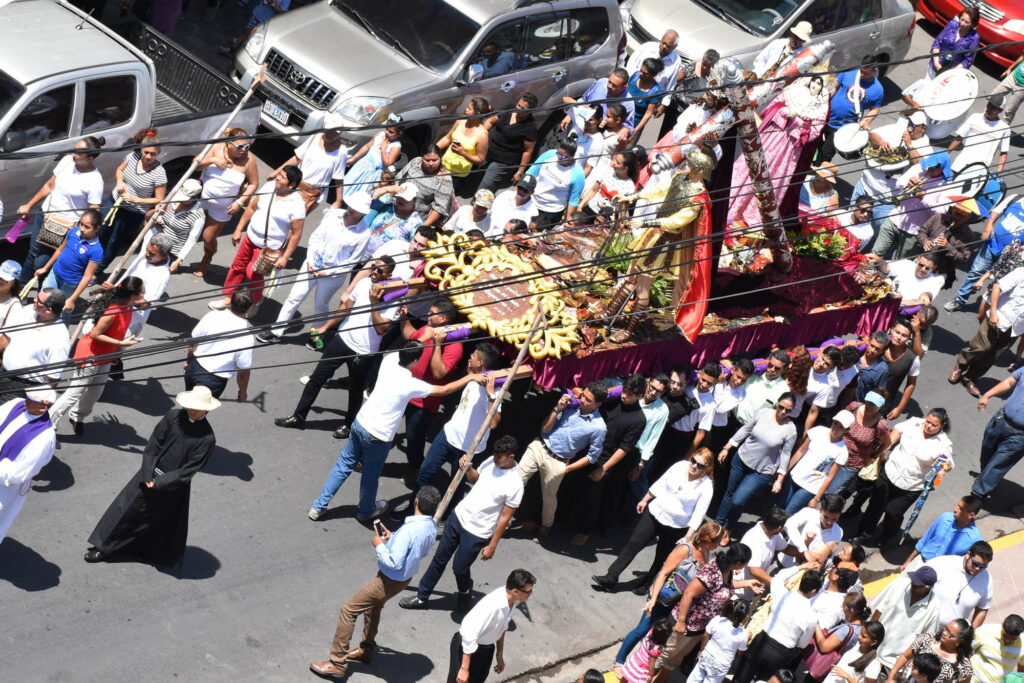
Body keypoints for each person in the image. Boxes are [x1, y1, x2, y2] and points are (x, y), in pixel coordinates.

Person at [308, 341, 483, 523]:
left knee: (343, 465)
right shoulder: (411, 384)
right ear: (415, 361)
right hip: (379, 435)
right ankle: (365, 511)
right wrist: (469, 378)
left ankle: (318, 506)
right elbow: (444, 390)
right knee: (370, 475)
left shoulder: (389, 360)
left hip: (361, 422)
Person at [308, 486, 441, 681]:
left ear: (416, 502)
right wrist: (393, 538)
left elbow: (394, 562)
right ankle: (367, 649)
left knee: (348, 610)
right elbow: (418, 550)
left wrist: (380, 545)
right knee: (373, 607)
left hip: (388, 580)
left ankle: (337, 663)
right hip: (404, 579)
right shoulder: (431, 526)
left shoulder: (410, 529)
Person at [84, 386, 219, 567]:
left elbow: (188, 470)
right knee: (124, 512)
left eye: (197, 407)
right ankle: (104, 548)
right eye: (191, 406)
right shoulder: (173, 417)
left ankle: (143, 552)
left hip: (171, 487)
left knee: (154, 522)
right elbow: (154, 443)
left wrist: (159, 482)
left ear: (207, 409)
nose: (192, 410)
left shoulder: (207, 438)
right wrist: (148, 473)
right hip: (148, 474)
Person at [273, 256, 397, 435]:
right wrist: (325, 327)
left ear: (389, 275)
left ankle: (348, 424)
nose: (374, 273)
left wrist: (374, 302)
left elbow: (381, 329)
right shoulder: (363, 284)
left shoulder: (393, 298)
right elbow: (345, 308)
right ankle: (298, 417)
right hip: (342, 340)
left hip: (363, 352)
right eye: (373, 268)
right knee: (317, 378)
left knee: (355, 390)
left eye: (380, 271)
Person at [401, 437, 523, 612]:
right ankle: (422, 597)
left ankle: (465, 591)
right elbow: (474, 480)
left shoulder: (515, 484)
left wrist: (492, 545)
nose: (495, 459)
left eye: (500, 457)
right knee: (439, 559)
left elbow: (505, 517)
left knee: (459, 568)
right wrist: (468, 468)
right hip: (458, 517)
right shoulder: (491, 461)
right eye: (495, 455)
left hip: (478, 532)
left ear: (511, 456)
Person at [257, 192, 373, 344]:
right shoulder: (333, 215)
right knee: (294, 297)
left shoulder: (364, 234)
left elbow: (352, 262)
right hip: (312, 264)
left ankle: (316, 334)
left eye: (357, 208)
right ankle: (276, 331)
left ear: (363, 212)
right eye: (352, 205)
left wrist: (327, 272)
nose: (352, 209)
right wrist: (311, 260)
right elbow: (316, 237)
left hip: (333, 275)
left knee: (321, 304)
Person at [592, 448, 714, 590]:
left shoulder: (706, 487)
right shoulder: (680, 466)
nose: (694, 466)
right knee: (634, 543)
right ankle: (611, 577)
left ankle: (647, 583)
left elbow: (699, 514)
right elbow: (661, 483)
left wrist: (688, 537)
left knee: (661, 557)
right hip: (655, 512)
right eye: (694, 461)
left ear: (706, 469)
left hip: (676, 526)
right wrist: (645, 500)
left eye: (700, 465)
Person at [615, 521, 724, 668]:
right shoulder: (685, 549)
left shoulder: (706, 552)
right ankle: (619, 661)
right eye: (716, 542)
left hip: (676, 603)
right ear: (707, 539)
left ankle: (639, 665)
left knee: (657, 637)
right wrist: (653, 599)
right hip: (661, 598)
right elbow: (663, 573)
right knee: (641, 630)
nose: (718, 545)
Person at [47, 277, 145, 434]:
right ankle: (49, 423)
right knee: (75, 392)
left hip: (106, 355)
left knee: (95, 391)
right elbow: (95, 334)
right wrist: (121, 344)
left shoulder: (129, 305)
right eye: (142, 292)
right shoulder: (113, 312)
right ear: (132, 295)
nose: (144, 294)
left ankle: (77, 416)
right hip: (90, 355)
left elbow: (146, 304)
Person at [516, 382, 607, 540]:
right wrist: (557, 408)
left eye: (588, 400)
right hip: (540, 445)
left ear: (598, 404)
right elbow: (545, 429)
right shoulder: (569, 405)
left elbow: (592, 456)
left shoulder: (598, 427)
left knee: (549, 498)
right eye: (583, 395)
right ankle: (499, 515)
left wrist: (567, 469)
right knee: (515, 482)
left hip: (559, 460)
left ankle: (546, 526)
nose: (583, 400)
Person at [853, 409, 953, 547]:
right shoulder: (914, 423)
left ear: (942, 425)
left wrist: (942, 471)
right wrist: (883, 449)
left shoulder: (943, 443)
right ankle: (863, 535)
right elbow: (897, 431)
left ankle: (887, 535)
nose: (928, 426)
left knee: (894, 512)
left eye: (934, 425)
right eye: (928, 421)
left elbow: (947, 463)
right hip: (889, 473)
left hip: (911, 485)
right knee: (875, 505)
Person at [213, 164, 306, 308]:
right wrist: (238, 229)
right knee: (237, 267)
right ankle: (228, 298)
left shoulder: (297, 204)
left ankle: (254, 302)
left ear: (292, 184)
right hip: (250, 237)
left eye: (282, 177)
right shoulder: (269, 187)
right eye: (279, 174)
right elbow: (251, 208)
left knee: (253, 275)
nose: (278, 178)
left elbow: (296, 235)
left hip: (268, 248)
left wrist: (285, 257)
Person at [414, 343, 502, 494]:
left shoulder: (495, 391)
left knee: (455, 488)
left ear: (480, 363)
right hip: (447, 436)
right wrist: (470, 373)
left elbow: (493, 423)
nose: (470, 357)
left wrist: (491, 395)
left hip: (467, 449)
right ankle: (412, 511)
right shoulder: (471, 378)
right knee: (424, 473)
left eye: (473, 356)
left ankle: (445, 515)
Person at [656, 544, 753, 678]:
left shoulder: (728, 570)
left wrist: (747, 583)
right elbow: (688, 593)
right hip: (686, 624)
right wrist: (681, 621)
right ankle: (642, 676)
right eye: (744, 564)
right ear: (738, 563)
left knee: (677, 657)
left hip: (700, 626)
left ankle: (659, 680)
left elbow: (723, 587)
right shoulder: (712, 571)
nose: (744, 567)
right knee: (665, 653)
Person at [18, 136, 106, 282]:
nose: (73, 154)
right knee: (33, 253)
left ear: (90, 157)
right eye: (74, 150)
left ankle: (44, 296)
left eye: (78, 152)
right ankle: (20, 287)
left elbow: (93, 211)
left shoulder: (95, 181)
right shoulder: (67, 161)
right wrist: (29, 205)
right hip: (45, 216)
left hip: (65, 226)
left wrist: (79, 227)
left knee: (44, 262)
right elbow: (49, 186)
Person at [573, 374, 646, 546]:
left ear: (640, 396)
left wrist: (603, 469)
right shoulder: (612, 400)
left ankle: (584, 531)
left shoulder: (638, 419)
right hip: (586, 449)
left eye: (630, 394)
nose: (624, 396)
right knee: (570, 487)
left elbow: (624, 448)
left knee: (593, 498)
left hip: (603, 460)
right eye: (625, 391)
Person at [715, 393, 798, 543]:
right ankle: (718, 525)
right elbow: (745, 430)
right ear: (777, 404)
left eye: (788, 410)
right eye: (781, 407)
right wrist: (727, 447)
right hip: (741, 459)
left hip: (762, 471)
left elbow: (786, 454)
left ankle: (729, 527)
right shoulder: (763, 413)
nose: (783, 412)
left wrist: (779, 479)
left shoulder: (790, 429)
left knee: (738, 500)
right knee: (729, 493)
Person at [397, 298, 466, 476]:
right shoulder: (428, 329)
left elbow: (438, 373)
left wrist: (437, 344)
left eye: (432, 313)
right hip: (404, 390)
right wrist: (404, 318)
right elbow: (412, 337)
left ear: (443, 318)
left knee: (414, 437)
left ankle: (416, 467)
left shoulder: (454, 347)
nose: (428, 315)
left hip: (424, 401)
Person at [733, 571, 824, 683]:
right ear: (814, 591)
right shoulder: (812, 617)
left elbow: (778, 577)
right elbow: (802, 644)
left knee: (741, 678)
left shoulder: (783, 594)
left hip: (762, 642)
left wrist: (800, 567)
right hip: (781, 654)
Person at [447, 568, 535, 683]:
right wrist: (464, 669)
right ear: (515, 591)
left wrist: (499, 655)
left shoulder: (514, 601)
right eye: (528, 591)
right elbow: (469, 635)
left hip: (485, 649)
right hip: (467, 647)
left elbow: (501, 628)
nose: (530, 594)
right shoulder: (493, 607)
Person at [949, 265, 1024, 398]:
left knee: (992, 357)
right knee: (980, 348)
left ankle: (970, 379)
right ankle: (960, 367)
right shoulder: (1020, 273)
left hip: (1016, 329)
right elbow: (997, 287)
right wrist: (994, 312)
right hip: (998, 318)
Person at [193, 129, 260, 278]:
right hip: (200, 199)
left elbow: (253, 184)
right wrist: (212, 160)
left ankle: (207, 258)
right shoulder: (215, 148)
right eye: (240, 147)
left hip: (223, 207)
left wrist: (240, 202)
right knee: (186, 229)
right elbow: (195, 164)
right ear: (229, 143)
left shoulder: (249, 161)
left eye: (247, 147)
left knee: (208, 237)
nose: (244, 151)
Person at [100, 129, 168, 270]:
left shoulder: (159, 173)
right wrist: (120, 182)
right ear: (141, 149)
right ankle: (88, 260)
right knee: (100, 230)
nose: (148, 156)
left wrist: (136, 199)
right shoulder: (132, 156)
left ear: (158, 154)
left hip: (132, 212)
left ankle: (99, 269)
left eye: (153, 154)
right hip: (114, 201)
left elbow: (159, 199)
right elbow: (120, 170)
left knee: (114, 241)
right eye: (146, 152)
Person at [0, 387, 57, 545]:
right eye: (28, 396)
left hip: (4, 487)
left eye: (32, 400)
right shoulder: (17, 404)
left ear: (43, 407)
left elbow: (16, 474)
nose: (27, 400)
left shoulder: (45, 438)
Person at [871, 153, 952, 261]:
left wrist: (924, 197)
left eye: (935, 167)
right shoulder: (919, 169)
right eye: (930, 166)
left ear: (942, 168)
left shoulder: (947, 184)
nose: (930, 169)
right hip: (895, 219)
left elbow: (941, 211)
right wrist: (907, 184)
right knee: (875, 254)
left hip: (914, 232)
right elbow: (898, 185)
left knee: (898, 263)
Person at [870, 566, 944, 673]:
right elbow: (879, 610)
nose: (913, 584)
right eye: (913, 580)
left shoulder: (935, 607)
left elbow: (926, 639)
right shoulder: (898, 584)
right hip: (873, 649)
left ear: (928, 587)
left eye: (918, 584)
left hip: (894, 664)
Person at [0, 289, 70, 401]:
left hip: (22, 388)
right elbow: (7, 336)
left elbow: (53, 379)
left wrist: (38, 401)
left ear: (48, 309)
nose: (34, 299)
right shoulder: (28, 311)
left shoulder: (60, 338)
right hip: (3, 372)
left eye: (38, 301)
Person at [34, 208, 104, 321]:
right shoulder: (73, 232)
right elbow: (60, 250)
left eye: (87, 227)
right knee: (43, 300)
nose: (82, 229)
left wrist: (72, 299)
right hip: (54, 274)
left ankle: (62, 330)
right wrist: (45, 267)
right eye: (81, 224)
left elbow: (87, 277)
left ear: (97, 229)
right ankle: (39, 322)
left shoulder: (96, 250)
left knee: (63, 309)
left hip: (69, 283)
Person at [269, 112, 348, 210]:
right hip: (293, 185)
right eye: (328, 130)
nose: (330, 134)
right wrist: (277, 172)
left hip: (310, 194)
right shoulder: (315, 137)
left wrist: (338, 201)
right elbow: (297, 158)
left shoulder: (342, 151)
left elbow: (338, 178)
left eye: (334, 132)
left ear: (340, 133)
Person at [184, 291, 254, 400]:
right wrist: (242, 392)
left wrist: (188, 362)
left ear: (230, 301)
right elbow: (243, 372)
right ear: (249, 309)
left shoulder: (212, 315)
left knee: (189, 403)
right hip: (213, 381)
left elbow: (193, 342)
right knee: (196, 413)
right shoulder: (246, 337)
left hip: (194, 369)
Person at [782, 411, 853, 514]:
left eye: (841, 427)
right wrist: (785, 471)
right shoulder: (818, 431)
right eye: (835, 423)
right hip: (794, 476)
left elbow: (830, 477)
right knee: (780, 507)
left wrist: (816, 498)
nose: (836, 428)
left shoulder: (843, 451)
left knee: (788, 512)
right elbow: (801, 451)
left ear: (847, 430)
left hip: (811, 487)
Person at [972, 367, 1024, 499]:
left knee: (998, 463)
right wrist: (988, 395)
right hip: (1001, 420)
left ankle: (976, 497)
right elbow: (1009, 382)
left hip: (1020, 435)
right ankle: (985, 477)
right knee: (987, 452)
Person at [819, 58, 883, 163]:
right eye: (861, 71)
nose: (862, 75)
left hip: (841, 129)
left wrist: (867, 121)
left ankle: (815, 177)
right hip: (824, 118)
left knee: (824, 155)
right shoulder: (850, 72)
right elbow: (834, 85)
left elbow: (875, 109)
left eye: (866, 73)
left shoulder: (878, 90)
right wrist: (823, 100)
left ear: (874, 70)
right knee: (810, 149)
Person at [900, 496, 984, 572]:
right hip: (920, 561)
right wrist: (908, 561)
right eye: (957, 505)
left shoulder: (975, 539)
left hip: (939, 573)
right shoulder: (944, 518)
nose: (955, 509)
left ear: (971, 515)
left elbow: (969, 564)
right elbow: (925, 539)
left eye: (961, 508)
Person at [923, 541, 994, 627]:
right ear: (968, 554)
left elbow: (982, 609)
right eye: (975, 564)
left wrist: (972, 632)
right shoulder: (942, 563)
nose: (977, 569)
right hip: (924, 625)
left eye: (982, 567)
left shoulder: (987, 579)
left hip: (951, 637)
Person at [479, 93, 538, 193]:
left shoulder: (530, 128)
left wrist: (520, 172)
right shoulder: (509, 109)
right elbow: (491, 121)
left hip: (502, 161)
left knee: (486, 186)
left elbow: (527, 152)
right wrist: (480, 135)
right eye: (518, 105)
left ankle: (479, 205)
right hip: (487, 150)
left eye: (522, 108)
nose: (518, 108)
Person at [523, 138, 586, 231]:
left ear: (572, 156)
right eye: (558, 153)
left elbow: (573, 200)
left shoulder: (578, 174)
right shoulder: (549, 155)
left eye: (564, 156)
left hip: (551, 211)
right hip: (531, 201)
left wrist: (568, 222)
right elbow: (531, 172)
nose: (559, 158)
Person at [626, 30, 685, 129]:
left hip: (649, 98)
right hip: (632, 89)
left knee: (637, 125)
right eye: (663, 43)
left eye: (668, 46)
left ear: (675, 47)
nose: (664, 47)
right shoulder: (647, 47)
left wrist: (664, 104)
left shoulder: (676, 61)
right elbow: (631, 66)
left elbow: (671, 84)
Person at [118, 233, 172, 338]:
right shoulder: (148, 252)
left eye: (151, 253)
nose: (146, 254)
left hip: (131, 321)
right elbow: (148, 221)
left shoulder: (161, 277)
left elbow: (144, 304)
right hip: (115, 308)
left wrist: (119, 295)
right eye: (146, 249)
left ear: (164, 255)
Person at [887, 619, 975, 683]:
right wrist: (890, 678)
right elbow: (905, 657)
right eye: (946, 628)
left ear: (960, 641)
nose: (944, 633)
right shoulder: (927, 639)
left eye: (950, 634)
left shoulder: (964, 667)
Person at [146, 179, 205, 273]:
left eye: (185, 199)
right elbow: (152, 216)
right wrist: (159, 215)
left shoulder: (198, 216)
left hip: (171, 252)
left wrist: (179, 260)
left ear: (195, 197)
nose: (180, 200)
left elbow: (192, 240)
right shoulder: (171, 199)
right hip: (154, 243)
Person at [343, 114, 403, 204]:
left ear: (399, 133)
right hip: (364, 165)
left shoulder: (396, 146)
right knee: (351, 182)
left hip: (375, 172)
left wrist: (383, 149)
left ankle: (354, 207)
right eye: (386, 129)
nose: (387, 132)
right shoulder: (379, 135)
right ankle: (342, 201)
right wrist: (354, 158)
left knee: (364, 193)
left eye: (391, 132)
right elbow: (367, 146)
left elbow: (388, 163)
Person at [686, 599, 750, 683]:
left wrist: (702, 649)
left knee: (694, 678)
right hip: (721, 665)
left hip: (707, 655)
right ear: (745, 616)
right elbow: (739, 652)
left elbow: (706, 635)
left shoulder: (718, 620)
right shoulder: (744, 633)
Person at [562, 68, 636, 141]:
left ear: (625, 86)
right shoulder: (600, 83)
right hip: (580, 128)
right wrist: (570, 115)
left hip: (598, 138)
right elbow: (584, 100)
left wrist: (626, 130)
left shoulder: (628, 102)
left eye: (614, 85)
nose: (609, 86)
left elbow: (628, 126)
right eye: (609, 82)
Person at [914, 202, 977, 287]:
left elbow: (964, 259)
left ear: (969, 216)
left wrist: (948, 246)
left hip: (939, 272)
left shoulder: (968, 236)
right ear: (953, 209)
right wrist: (925, 241)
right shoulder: (938, 218)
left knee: (923, 296)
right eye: (956, 213)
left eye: (962, 216)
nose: (957, 217)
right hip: (921, 263)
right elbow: (922, 231)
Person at [438, 97, 492, 195]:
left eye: (469, 108)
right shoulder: (461, 121)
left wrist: (462, 153)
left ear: (477, 114)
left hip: (457, 176)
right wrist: (434, 149)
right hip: (443, 167)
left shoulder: (482, 134)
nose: (465, 109)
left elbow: (480, 159)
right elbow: (447, 138)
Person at [948, 95, 1010, 174]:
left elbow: (1003, 153)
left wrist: (998, 174)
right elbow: (959, 138)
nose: (989, 109)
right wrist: (945, 154)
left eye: (993, 107)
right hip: (958, 166)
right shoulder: (975, 117)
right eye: (989, 105)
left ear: (1000, 110)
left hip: (979, 173)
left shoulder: (1004, 128)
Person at [779, 494, 845, 569]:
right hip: (786, 564)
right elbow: (789, 524)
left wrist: (829, 554)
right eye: (826, 517)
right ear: (820, 510)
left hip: (804, 573)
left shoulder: (839, 532)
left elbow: (827, 559)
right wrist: (804, 549)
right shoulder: (808, 513)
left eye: (834, 519)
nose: (829, 522)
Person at [394, 146, 454, 227]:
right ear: (422, 158)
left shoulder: (444, 179)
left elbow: (439, 209)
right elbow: (398, 178)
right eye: (427, 160)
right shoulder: (415, 162)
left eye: (434, 160)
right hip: (395, 209)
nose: (431, 164)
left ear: (440, 158)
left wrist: (422, 228)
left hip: (413, 220)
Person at [578, 150, 640, 225]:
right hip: (590, 209)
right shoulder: (607, 171)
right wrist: (581, 205)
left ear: (625, 168)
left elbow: (622, 211)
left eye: (618, 163)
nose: (613, 163)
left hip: (605, 219)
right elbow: (593, 190)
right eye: (615, 160)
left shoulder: (629, 188)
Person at [879, 319, 923, 420]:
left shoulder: (912, 359)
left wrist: (900, 408)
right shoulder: (879, 344)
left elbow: (911, 384)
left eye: (904, 335)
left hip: (882, 403)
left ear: (908, 338)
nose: (899, 337)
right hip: (862, 393)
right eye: (897, 332)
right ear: (891, 330)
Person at [735, 350, 792, 426]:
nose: (772, 369)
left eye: (777, 368)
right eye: (770, 365)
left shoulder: (783, 390)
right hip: (732, 420)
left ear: (784, 370)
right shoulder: (753, 374)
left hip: (750, 429)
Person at [969, 614, 1024, 682]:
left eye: (1013, 639)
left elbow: (1021, 671)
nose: (1008, 640)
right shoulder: (984, 632)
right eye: (1005, 636)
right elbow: (966, 651)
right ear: (1002, 625)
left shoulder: (1022, 644)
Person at [929, 7, 981, 76]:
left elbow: (967, 61)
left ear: (973, 24)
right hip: (934, 66)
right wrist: (936, 63)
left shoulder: (974, 38)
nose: (962, 23)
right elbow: (936, 44)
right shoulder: (952, 25)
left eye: (967, 22)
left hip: (950, 75)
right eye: (962, 19)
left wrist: (951, 73)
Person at [622, 617, 674, 683]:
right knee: (635, 680)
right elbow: (652, 663)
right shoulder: (656, 649)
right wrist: (651, 674)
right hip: (642, 668)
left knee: (626, 675)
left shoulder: (650, 632)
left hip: (635, 659)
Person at [626, 58, 666, 140]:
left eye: (644, 73)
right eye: (640, 70)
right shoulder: (635, 76)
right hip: (619, 116)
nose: (640, 73)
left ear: (653, 75)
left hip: (634, 124)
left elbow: (648, 114)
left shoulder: (655, 90)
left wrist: (635, 131)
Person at [992, 54, 1024, 124]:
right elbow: (1022, 56)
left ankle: (1002, 131)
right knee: (994, 96)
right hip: (1013, 77)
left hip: (1022, 87)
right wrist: (1009, 69)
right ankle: (986, 120)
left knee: (1010, 111)